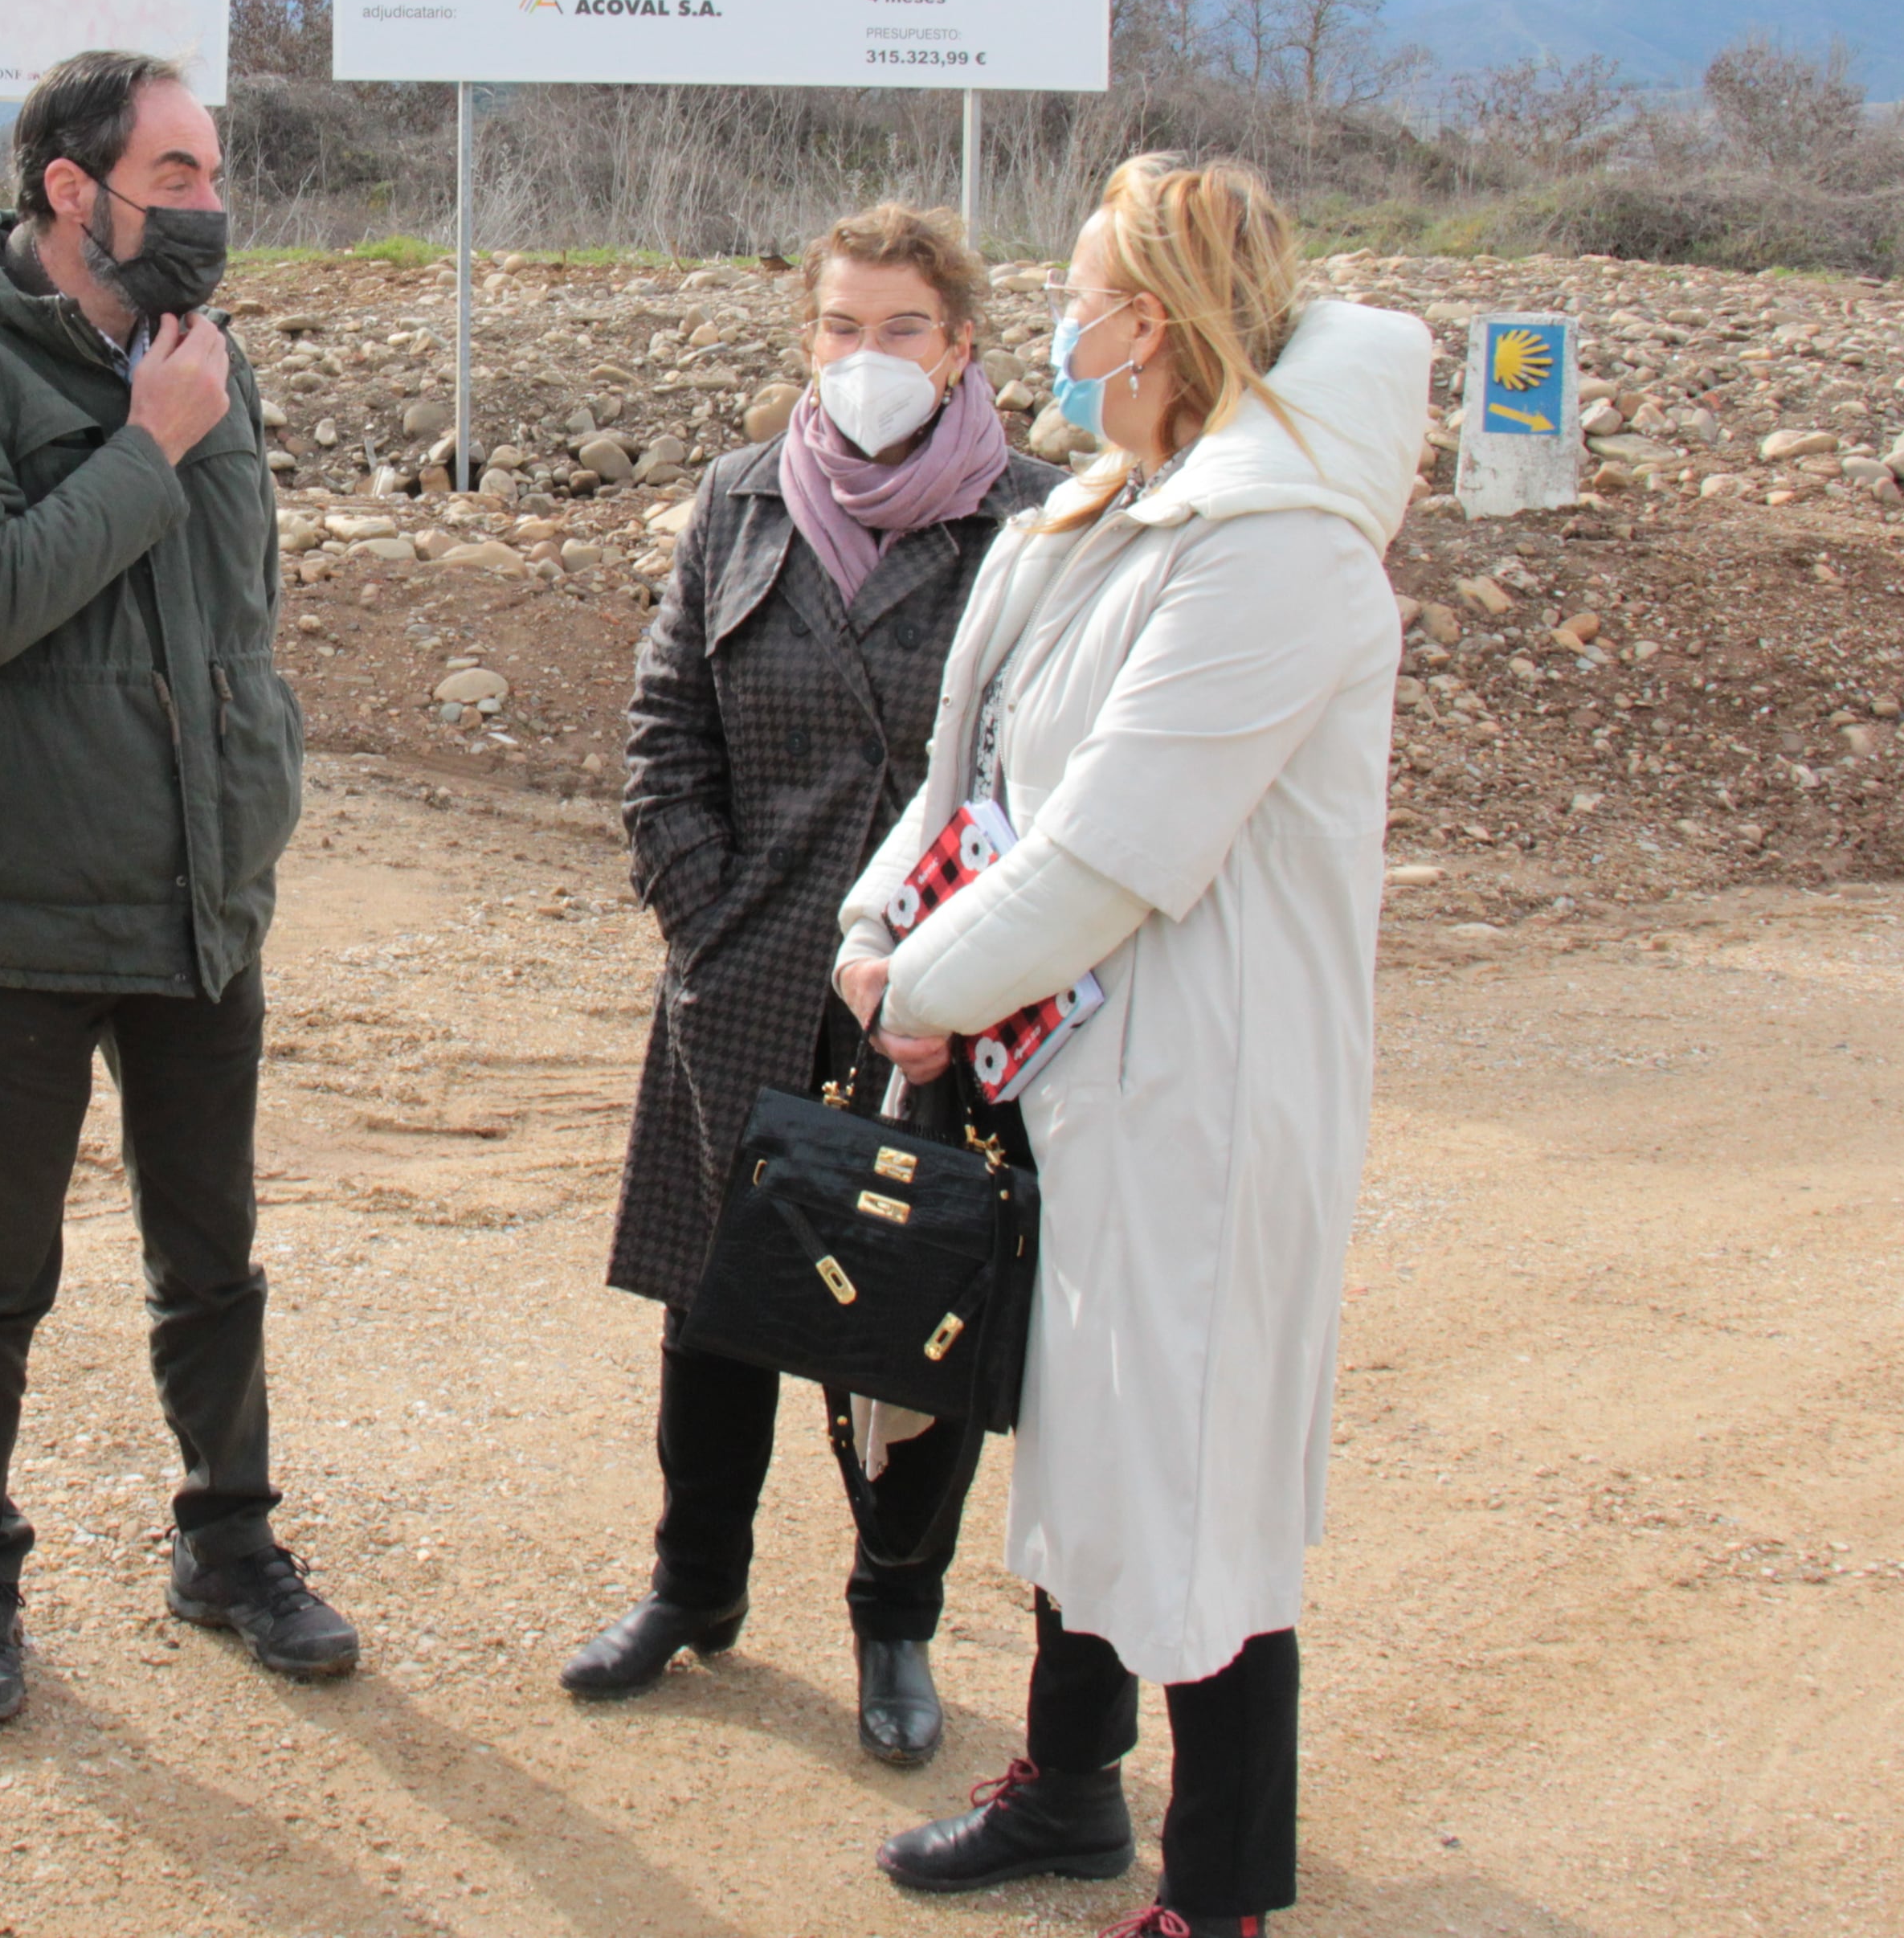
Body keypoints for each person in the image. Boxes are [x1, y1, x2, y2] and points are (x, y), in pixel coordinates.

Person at [828, 154, 1428, 1938]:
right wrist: (884, 928)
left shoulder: (1277, 549)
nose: (1061, 317)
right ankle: (1072, 1786)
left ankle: (1223, 1890)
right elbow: (979, 781)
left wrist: (922, 988)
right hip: (1056, 1062)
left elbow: (1113, 844)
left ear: (1146, 321)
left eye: (1081, 290)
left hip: (1197, 1092)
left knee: (1195, 1482)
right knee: (1085, 1441)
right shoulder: (1108, 508)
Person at [0, 47, 352, 1728]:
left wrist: (253, 771)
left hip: (200, 886)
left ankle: (229, 1544)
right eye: (179, 173)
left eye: (215, 171)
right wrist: (147, 441)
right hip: (15, 891)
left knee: (211, 1253)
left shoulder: (203, 353)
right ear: (74, 188)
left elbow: (241, 602)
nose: (209, 205)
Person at [572, 204, 1062, 1763]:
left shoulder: (1036, 524)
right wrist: (701, 916)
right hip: (753, 972)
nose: (866, 359)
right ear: (806, 338)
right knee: (715, 1320)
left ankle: (892, 1627)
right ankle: (690, 1587)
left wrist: (969, 963)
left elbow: (1055, 779)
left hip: (940, 1001)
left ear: (962, 342)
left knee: (907, 1333)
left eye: (900, 328)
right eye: (839, 328)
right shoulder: (738, 503)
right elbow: (665, 733)